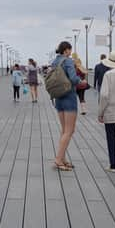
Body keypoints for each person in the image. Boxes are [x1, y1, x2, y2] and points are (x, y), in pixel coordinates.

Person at [51, 41, 81, 171]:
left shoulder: (54, 62)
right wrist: (82, 81)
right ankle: (58, 159)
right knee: (69, 131)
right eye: (70, 50)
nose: (71, 52)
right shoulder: (68, 61)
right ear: (66, 50)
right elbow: (74, 79)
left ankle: (62, 158)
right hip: (69, 97)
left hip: (58, 98)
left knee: (64, 131)